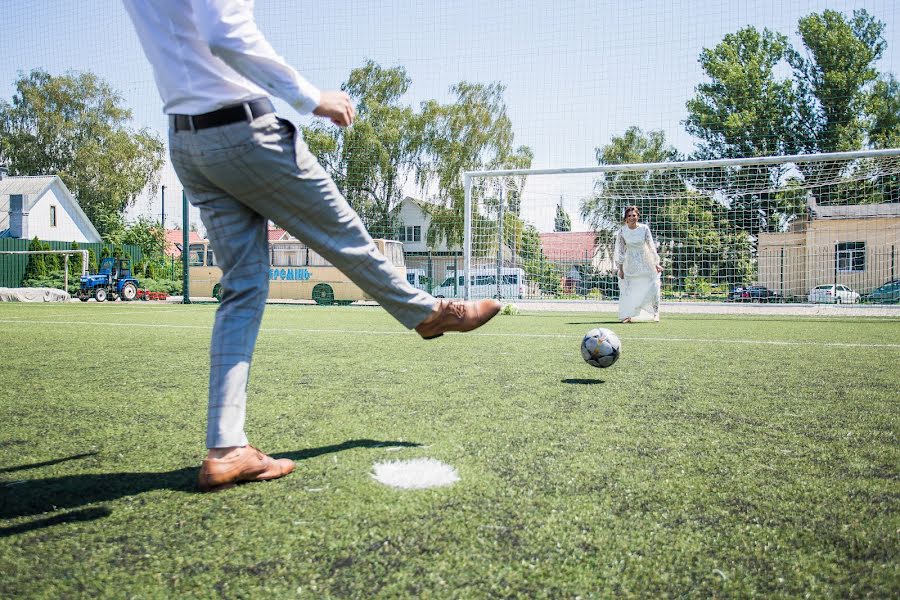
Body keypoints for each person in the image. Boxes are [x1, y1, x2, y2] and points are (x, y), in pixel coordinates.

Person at [123, 0, 501, 492]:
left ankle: (225, 449)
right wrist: (310, 97)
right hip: (244, 131)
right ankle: (428, 313)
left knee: (241, 288)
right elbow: (225, 33)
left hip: (188, 144)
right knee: (345, 237)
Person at [614, 206, 662, 323]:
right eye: (629, 216)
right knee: (629, 289)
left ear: (638, 216)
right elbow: (620, 250)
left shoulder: (644, 229)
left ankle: (656, 313)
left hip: (646, 261)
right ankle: (629, 315)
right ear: (626, 218)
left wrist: (656, 263)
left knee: (653, 286)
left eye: (634, 215)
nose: (631, 218)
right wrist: (620, 269)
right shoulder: (622, 231)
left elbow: (651, 245)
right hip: (630, 263)